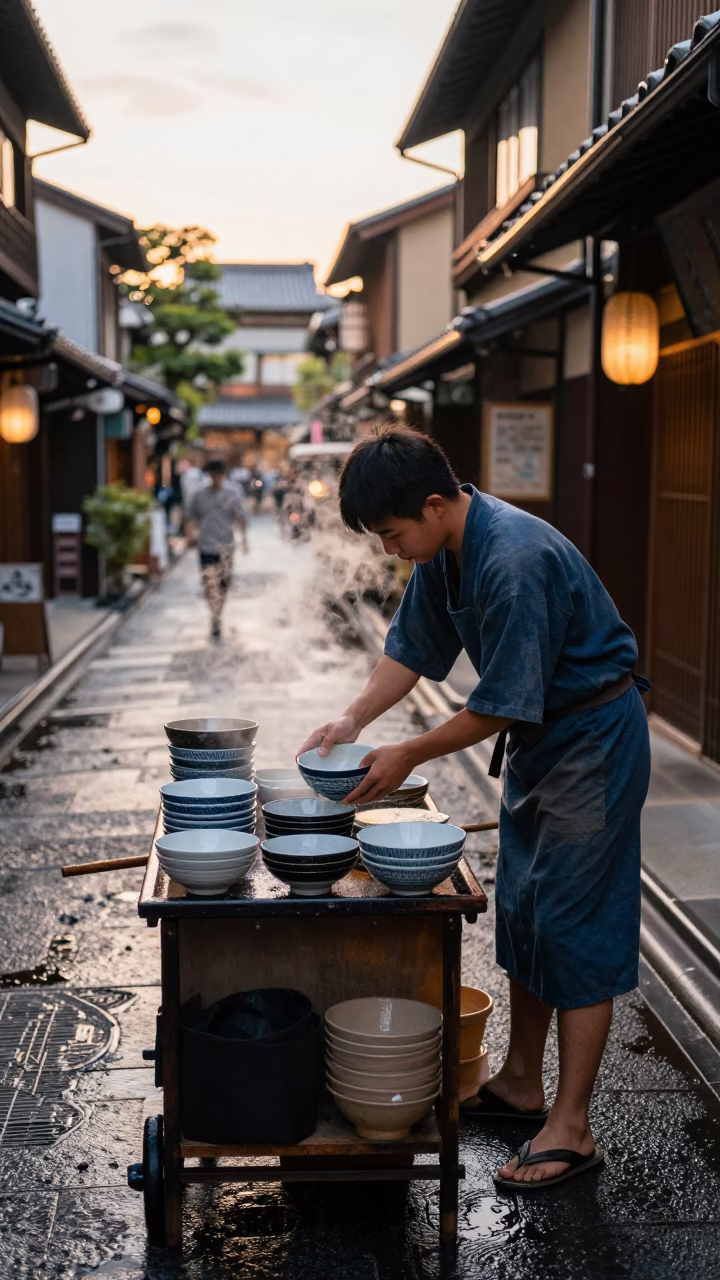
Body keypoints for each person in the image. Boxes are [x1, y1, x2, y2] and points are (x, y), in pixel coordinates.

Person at [298, 426, 650, 1193]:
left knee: (575, 926)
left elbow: (499, 704)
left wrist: (405, 755)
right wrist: (356, 722)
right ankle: (524, 1082)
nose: (391, 549)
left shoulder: (514, 558)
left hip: (590, 739)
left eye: (394, 533)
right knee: (525, 909)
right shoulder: (445, 548)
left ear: (432, 503)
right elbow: (411, 649)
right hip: (543, 739)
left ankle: (574, 1126)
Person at [187, 458, 248, 640]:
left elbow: (241, 516)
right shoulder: (198, 493)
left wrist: (245, 540)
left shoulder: (233, 492)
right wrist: (190, 535)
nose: (216, 478)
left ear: (223, 475)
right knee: (208, 580)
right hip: (205, 544)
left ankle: (218, 612)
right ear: (208, 475)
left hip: (226, 544)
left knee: (223, 583)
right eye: (213, 475)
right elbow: (190, 516)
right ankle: (214, 613)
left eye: (219, 475)